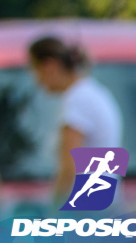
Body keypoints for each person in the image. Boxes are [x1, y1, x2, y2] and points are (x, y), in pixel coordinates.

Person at [28, 36, 123, 207]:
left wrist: (54, 213)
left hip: (86, 209)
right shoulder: (93, 92)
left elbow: (69, 168)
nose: (37, 81)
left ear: (50, 65)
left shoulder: (77, 101)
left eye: (35, 70)